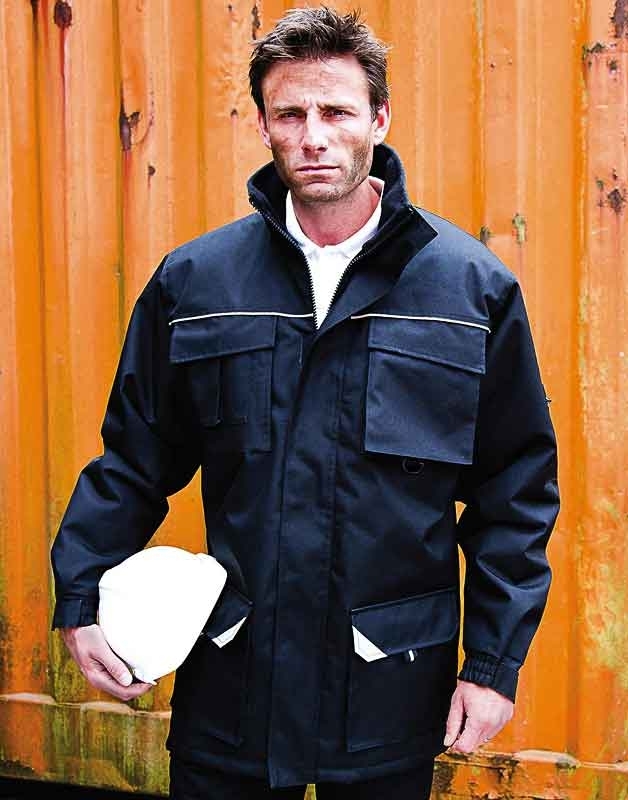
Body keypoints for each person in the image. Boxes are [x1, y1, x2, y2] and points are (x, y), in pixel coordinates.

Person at [51, 7, 560, 799]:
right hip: (237, 681)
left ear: (379, 120)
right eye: (290, 114)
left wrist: (493, 665)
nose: (314, 136)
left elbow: (514, 494)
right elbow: (133, 461)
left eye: (336, 112)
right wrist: (80, 599)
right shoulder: (198, 284)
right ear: (262, 125)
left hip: (389, 684)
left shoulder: (469, 291)